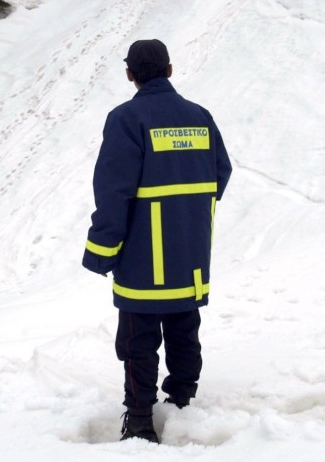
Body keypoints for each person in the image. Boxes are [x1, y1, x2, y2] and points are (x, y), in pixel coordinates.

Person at [82, 39, 232, 443]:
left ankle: (141, 420)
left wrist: (100, 252)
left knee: (138, 341)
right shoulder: (200, 117)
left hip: (143, 258)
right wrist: (187, 211)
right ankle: (182, 402)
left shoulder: (126, 119)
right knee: (185, 330)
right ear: (169, 70)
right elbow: (221, 172)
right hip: (190, 253)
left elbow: (114, 192)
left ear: (130, 74)